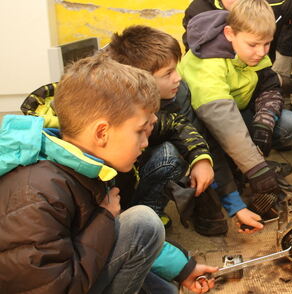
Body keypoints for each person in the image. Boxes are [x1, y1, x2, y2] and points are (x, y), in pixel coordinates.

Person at [0, 54, 216, 293]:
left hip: (77, 271)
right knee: (144, 223)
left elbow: (114, 239)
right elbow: (53, 287)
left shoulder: (82, 165)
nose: (145, 143)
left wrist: (183, 269)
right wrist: (105, 218)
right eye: (139, 132)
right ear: (102, 133)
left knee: (166, 289)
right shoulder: (38, 193)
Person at [106, 25, 265, 236]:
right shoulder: (109, 108)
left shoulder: (178, 94)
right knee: (166, 156)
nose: (178, 77)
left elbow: (200, 139)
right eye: (168, 73)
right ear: (140, 79)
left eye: (176, 69)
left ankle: (149, 211)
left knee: (180, 152)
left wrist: (233, 203)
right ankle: (130, 219)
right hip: (112, 183)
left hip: (142, 165)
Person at [179, 0, 292, 230]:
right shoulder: (207, 62)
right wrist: (256, 170)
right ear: (229, 34)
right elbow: (222, 123)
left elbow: (270, 87)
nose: (261, 52)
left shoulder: (253, 45)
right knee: (213, 221)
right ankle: (225, 186)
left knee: (289, 125)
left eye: (267, 44)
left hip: (233, 113)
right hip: (196, 126)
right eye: (254, 45)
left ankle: (240, 169)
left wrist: (263, 128)